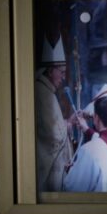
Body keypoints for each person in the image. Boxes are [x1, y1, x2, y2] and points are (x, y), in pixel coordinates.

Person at [35, 36, 74, 192]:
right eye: (62, 73)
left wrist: (68, 121)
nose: (64, 78)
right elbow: (53, 136)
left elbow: (53, 125)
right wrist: (69, 124)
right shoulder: (42, 92)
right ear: (50, 71)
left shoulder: (46, 91)